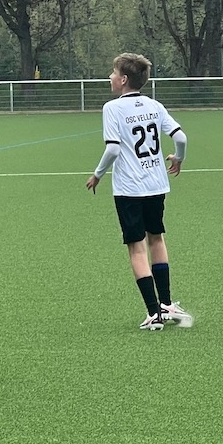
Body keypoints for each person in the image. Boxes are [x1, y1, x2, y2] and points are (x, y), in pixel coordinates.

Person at [86, 53, 193, 331]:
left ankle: (153, 313)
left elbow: (113, 149)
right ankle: (166, 304)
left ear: (123, 79)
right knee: (156, 239)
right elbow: (180, 137)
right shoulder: (154, 105)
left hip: (130, 188)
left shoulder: (112, 108)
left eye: (113, 73)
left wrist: (97, 174)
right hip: (157, 185)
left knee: (136, 248)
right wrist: (178, 158)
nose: (110, 77)